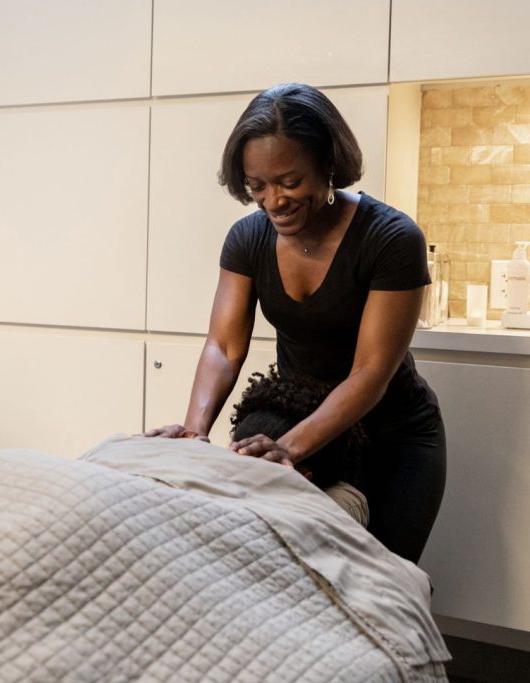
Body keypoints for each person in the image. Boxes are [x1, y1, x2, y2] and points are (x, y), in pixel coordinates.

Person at [145, 82, 446, 564]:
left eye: (290, 181)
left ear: (329, 164)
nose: (273, 201)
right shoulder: (248, 239)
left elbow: (370, 372)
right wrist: (195, 433)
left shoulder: (390, 238)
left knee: (386, 586)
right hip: (299, 424)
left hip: (394, 438)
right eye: (257, 185)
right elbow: (223, 346)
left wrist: (286, 450)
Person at [230, 365, 370, 526]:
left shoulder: (343, 504)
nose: (239, 479)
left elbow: (371, 370)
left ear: (301, 477)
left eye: (253, 472)